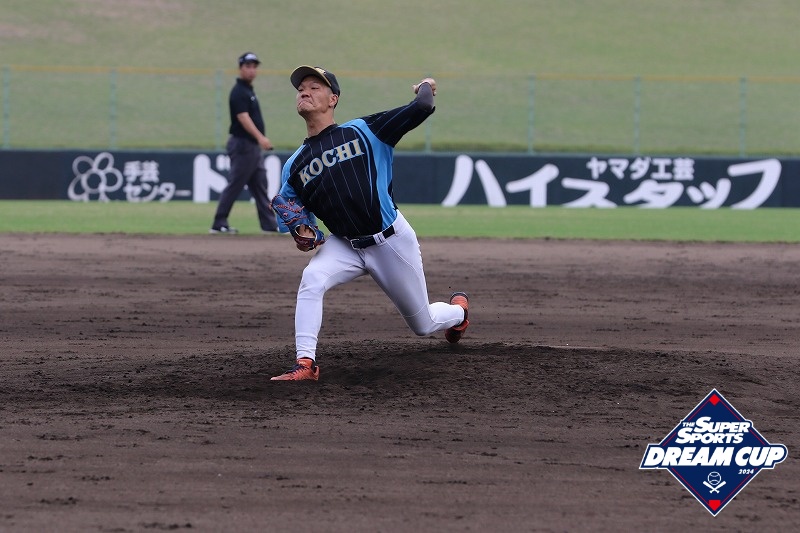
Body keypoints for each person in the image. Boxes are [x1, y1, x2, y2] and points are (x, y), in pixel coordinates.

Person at [269, 65, 470, 381]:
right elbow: (297, 220)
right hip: (344, 244)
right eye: (301, 88)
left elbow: (422, 106)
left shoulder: (365, 130)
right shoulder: (294, 166)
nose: (304, 91)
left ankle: (459, 313)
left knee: (423, 324)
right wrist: (303, 233)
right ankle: (305, 364)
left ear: (333, 99)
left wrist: (426, 85)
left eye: (314, 87)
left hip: (390, 240)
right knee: (312, 279)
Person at [209, 52, 278, 234]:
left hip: (251, 147)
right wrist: (260, 138)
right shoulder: (239, 91)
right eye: (248, 66)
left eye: (254, 66)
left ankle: (269, 225)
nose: (252, 70)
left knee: (260, 185)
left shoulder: (248, 90)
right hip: (243, 144)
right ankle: (219, 223)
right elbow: (243, 117)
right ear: (240, 68)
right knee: (235, 184)